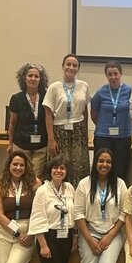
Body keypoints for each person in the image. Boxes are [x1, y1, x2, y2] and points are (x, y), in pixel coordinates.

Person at [74, 148, 127, 263]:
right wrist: (90, 240)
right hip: (89, 232)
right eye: (101, 161)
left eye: (108, 162)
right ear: (95, 163)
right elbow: (78, 214)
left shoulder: (120, 184)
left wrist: (110, 236)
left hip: (113, 233)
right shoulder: (84, 184)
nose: (104, 165)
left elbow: (124, 213)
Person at [28, 156, 76, 263]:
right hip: (48, 237)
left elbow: (73, 213)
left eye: (62, 168)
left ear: (66, 171)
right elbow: (38, 216)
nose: (58, 171)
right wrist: (43, 244)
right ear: (50, 170)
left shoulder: (69, 188)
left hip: (66, 236)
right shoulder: (42, 190)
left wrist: (75, 236)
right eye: (55, 168)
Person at [43, 54, 90, 186]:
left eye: (75, 65)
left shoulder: (84, 85)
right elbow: (48, 114)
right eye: (68, 64)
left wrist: (86, 133)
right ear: (63, 66)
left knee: (78, 167)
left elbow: (85, 111)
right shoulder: (54, 87)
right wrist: (51, 140)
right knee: (60, 165)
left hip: (78, 131)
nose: (71, 68)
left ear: (78, 68)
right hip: (59, 131)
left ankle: (78, 195)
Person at [90, 60, 132, 180]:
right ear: (106, 75)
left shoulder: (129, 91)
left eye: (115, 74)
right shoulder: (100, 92)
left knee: (120, 170)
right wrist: (103, 126)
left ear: (120, 74)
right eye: (110, 74)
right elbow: (94, 113)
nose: (113, 77)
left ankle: (117, 191)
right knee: (102, 169)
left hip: (123, 136)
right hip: (103, 136)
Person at [7, 63, 49, 176]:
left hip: (41, 146)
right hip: (21, 145)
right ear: (24, 78)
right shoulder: (16, 98)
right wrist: (10, 144)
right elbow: (12, 123)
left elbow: (50, 120)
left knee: (35, 178)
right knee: (20, 175)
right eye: (30, 76)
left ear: (41, 79)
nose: (33, 79)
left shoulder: (47, 96)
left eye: (36, 76)